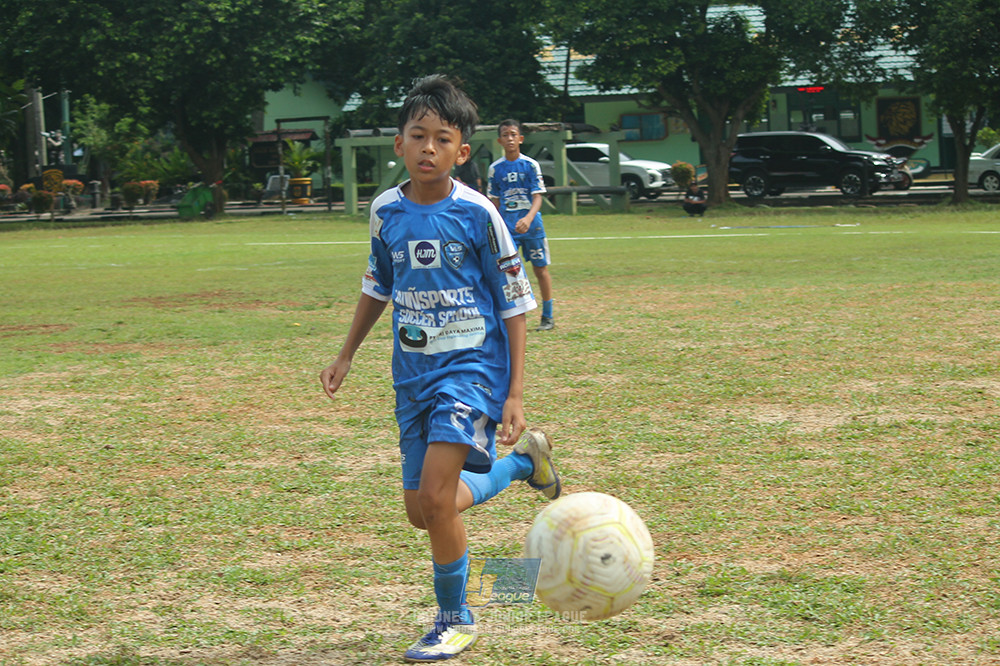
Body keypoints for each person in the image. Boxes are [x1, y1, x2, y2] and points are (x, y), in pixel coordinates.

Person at [318, 75, 561, 663]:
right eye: (417, 135)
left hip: (473, 369)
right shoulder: (384, 212)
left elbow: (514, 302)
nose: (428, 148)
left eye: (442, 138)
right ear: (398, 144)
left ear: (461, 152)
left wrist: (514, 393)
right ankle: (526, 463)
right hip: (413, 374)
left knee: (434, 496)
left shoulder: (479, 214)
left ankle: (457, 618)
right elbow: (379, 284)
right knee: (424, 511)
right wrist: (347, 351)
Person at [487, 119, 557, 331]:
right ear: (500, 140)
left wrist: (527, 218)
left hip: (532, 226)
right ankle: (511, 317)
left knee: (540, 268)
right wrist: (495, 225)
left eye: (513, 134)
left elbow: (538, 197)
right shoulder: (495, 169)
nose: (510, 138)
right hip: (508, 228)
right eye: (506, 135)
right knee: (508, 271)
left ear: (521, 139)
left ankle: (548, 316)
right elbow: (494, 202)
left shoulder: (530, 165)